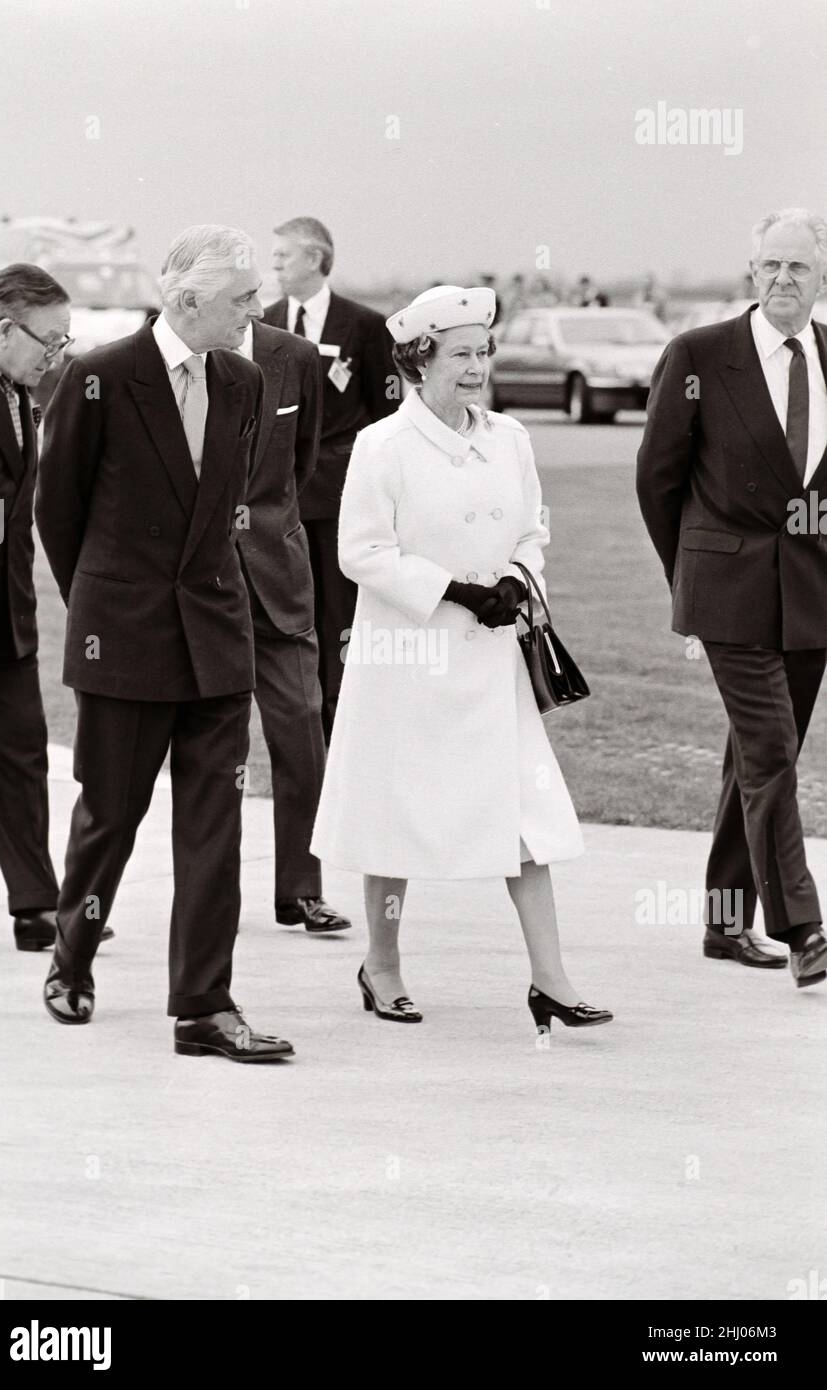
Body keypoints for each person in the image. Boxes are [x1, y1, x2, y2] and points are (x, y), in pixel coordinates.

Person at [310, 285, 612, 1036]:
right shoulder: (384, 444)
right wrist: (450, 590)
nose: (477, 368)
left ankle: (551, 980)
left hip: (489, 662)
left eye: (484, 352)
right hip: (405, 658)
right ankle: (381, 965)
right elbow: (360, 552)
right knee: (394, 813)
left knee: (525, 814)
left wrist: (517, 577)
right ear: (420, 361)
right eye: (462, 355)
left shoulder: (510, 438)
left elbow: (531, 528)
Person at [35, 225, 293, 1062]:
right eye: (240, 299)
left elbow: (223, 508)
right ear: (185, 299)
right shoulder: (98, 378)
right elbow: (58, 511)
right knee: (110, 817)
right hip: (124, 641)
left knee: (216, 829)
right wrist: (103, 613)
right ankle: (71, 959)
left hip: (217, 640)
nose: (256, 310)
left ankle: (203, 1007)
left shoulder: (246, 382)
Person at [636, 207, 827, 988]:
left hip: (811, 596)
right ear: (750, 274)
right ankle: (802, 926)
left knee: (750, 757)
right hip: (727, 585)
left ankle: (722, 921)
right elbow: (657, 480)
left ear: (819, 278)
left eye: (798, 268)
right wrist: (688, 581)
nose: (783, 280)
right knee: (773, 748)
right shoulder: (698, 355)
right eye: (769, 267)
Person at [0, 264, 81, 956]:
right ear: (5, 326)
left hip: (5, 612)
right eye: (49, 341)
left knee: (22, 754)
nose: (55, 355)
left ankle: (37, 906)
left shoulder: (18, 389)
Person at [236, 313, 351, 933]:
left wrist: (269, 532)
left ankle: (301, 890)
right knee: (207, 749)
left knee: (305, 728)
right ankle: (208, 894)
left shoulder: (296, 356)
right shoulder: (157, 351)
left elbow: (300, 465)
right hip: (199, 591)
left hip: (279, 581)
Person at [264, 217, 398, 740]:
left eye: (283, 255)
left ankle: (344, 724)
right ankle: (301, 727)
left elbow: (386, 416)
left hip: (343, 494)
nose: (273, 264)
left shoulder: (364, 326)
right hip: (278, 497)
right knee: (289, 614)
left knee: (339, 613)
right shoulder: (264, 322)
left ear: (317, 259)